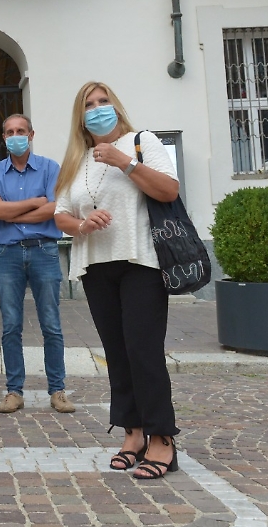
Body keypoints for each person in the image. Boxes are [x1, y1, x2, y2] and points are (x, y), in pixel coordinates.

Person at [53, 82, 182, 480]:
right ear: (81, 116)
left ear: (116, 106)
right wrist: (82, 224)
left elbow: (169, 190)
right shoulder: (75, 159)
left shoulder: (142, 142)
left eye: (102, 102)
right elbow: (60, 214)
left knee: (143, 350)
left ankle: (162, 438)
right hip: (96, 265)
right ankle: (133, 432)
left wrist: (123, 161)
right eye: (89, 105)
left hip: (140, 260)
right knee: (117, 352)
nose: (97, 109)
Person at [0, 114, 74, 415]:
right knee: (10, 326)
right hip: (7, 254)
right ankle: (14, 391)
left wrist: (10, 213)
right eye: (9, 131)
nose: (15, 135)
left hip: (43, 252)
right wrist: (34, 204)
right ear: (4, 137)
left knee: (51, 325)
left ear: (31, 134)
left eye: (20, 131)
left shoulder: (50, 168)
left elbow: (54, 207)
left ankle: (58, 390)